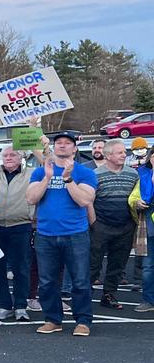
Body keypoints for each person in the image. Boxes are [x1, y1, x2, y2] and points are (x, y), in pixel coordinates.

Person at [27, 132, 97, 336]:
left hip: (75, 234)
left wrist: (67, 180)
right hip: (46, 235)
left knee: (80, 280)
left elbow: (84, 200)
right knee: (47, 281)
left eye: (68, 143)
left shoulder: (85, 173)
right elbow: (31, 198)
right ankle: (52, 319)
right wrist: (48, 178)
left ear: (75, 149)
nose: (62, 146)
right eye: (59, 143)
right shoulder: (41, 172)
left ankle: (83, 321)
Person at [89, 138, 137, 310]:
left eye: (124, 152)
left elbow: (136, 197)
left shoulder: (133, 174)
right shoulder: (95, 175)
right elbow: (88, 201)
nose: (124, 155)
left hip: (125, 226)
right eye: (120, 152)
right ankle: (85, 294)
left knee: (118, 263)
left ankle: (109, 295)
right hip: (100, 225)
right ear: (108, 155)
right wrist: (93, 223)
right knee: (93, 263)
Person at [0, 148, 35, 322]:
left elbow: (48, 165)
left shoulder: (30, 174)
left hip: (21, 225)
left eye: (13, 155)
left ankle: (21, 305)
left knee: (21, 268)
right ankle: (4, 305)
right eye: (5, 155)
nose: (8, 158)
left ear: (21, 157)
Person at [131, 151, 154, 312]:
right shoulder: (142, 174)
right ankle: (149, 300)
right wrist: (137, 202)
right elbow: (133, 197)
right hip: (148, 223)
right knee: (148, 266)